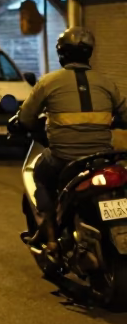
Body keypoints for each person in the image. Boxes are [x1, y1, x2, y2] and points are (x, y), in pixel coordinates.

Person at [18, 26, 127, 250]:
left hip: (63, 157)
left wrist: (20, 123)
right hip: (101, 159)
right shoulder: (106, 83)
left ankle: (49, 236)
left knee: (39, 175)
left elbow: (27, 118)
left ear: (61, 54)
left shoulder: (48, 83)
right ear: (89, 53)